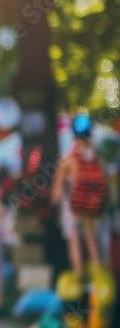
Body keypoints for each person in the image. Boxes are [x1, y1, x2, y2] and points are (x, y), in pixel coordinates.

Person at [52, 115, 108, 277]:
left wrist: (53, 202)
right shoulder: (96, 157)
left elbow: (57, 186)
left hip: (72, 205)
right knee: (90, 238)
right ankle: (98, 277)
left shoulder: (68, 158)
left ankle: (78, 276)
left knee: (74, 239)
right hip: (92, 205)